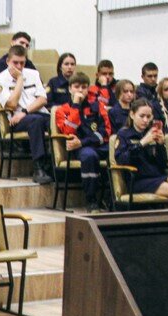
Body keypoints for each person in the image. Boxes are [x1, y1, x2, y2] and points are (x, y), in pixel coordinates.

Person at [0, 45, 53, 184]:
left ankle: (55, 167)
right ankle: (38, 168)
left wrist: (25, 112)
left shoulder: (33, 74)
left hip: (32, 114)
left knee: (57, 121)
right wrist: (20, 79)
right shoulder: (0, 79)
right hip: (16, 121)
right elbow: (12, 104)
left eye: (22, 63)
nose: (19, 66)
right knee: (35, 121)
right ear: (8, 61)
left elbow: (43, 99)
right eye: (15, 62)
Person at [54, 72, 111, 213]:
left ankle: (111, 198)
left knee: (122, 151)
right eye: (76, 87)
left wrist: (83, 142)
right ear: (70, 89)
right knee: (89, 156)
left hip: (97, 145)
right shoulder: (62, 110)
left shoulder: (98, 106)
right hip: (79, 150)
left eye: (84, 87)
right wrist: (76, 105)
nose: (80, 90)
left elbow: (106, 132)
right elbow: (68, 132)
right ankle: (91, 199)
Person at [115, 98, 168, 209]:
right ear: (132, 115)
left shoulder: (152, 132)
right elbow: (121, 160)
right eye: (142, 116)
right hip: (138, 179)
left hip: (157, 175)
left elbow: (163, 163)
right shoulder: (124, 134)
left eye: (148, 117)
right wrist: (142, 143)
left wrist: (160, 145)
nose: (145, 120)